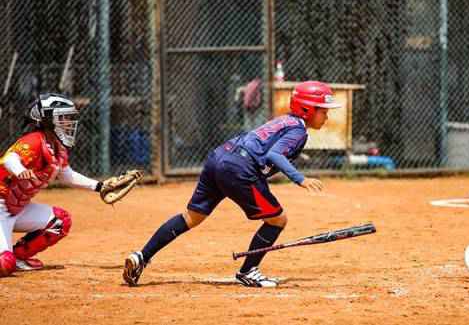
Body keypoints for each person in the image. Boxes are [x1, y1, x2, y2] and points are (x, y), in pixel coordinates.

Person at [123, 81, 341, 287]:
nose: (327, 116)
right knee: (277, 220)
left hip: (220, 157)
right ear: (307, 109)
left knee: (192, 217)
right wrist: (300, 179)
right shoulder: (298, 130)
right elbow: (275, 155)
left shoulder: (285, 120)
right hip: (240, 168)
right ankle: (248, 271)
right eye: (323, 110)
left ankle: (142, 256)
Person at [0, 93, 105, 276]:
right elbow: (10, 158)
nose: (68, 123)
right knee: (3, 265)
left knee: (60, 221)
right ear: (47, 119)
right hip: (1, 207)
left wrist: (100, 186)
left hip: (15, 209)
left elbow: (67, 176)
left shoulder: (57, 148)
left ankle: (19, 256)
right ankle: (8, 257)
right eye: (63, 118)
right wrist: (19, 170)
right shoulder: (34, 139)